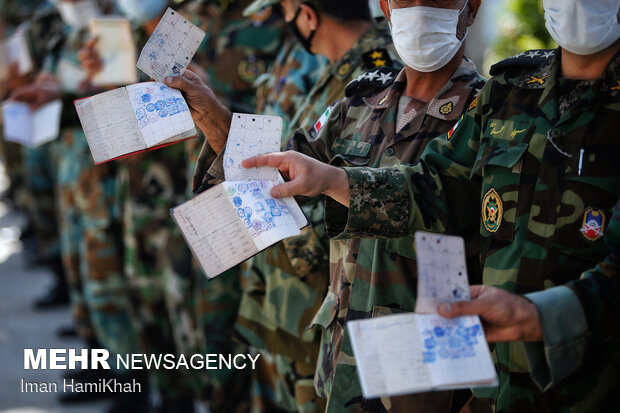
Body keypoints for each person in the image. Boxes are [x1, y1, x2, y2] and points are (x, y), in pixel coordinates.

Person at [244, 0, 620, 411]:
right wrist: (333, 179)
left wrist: (544, 316)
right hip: (492, 394)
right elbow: (433, 186)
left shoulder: (480, 95)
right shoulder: (512, 95)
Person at [171, 0, 481, 411]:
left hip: (427, 371)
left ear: (471, 7)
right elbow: (275, 170)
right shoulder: (358, 105)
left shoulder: (491, 114)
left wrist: (335, 180)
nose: (419, 8)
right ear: (386, 7)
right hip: (343, 355)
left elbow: (444, 202)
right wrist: (211, 113)